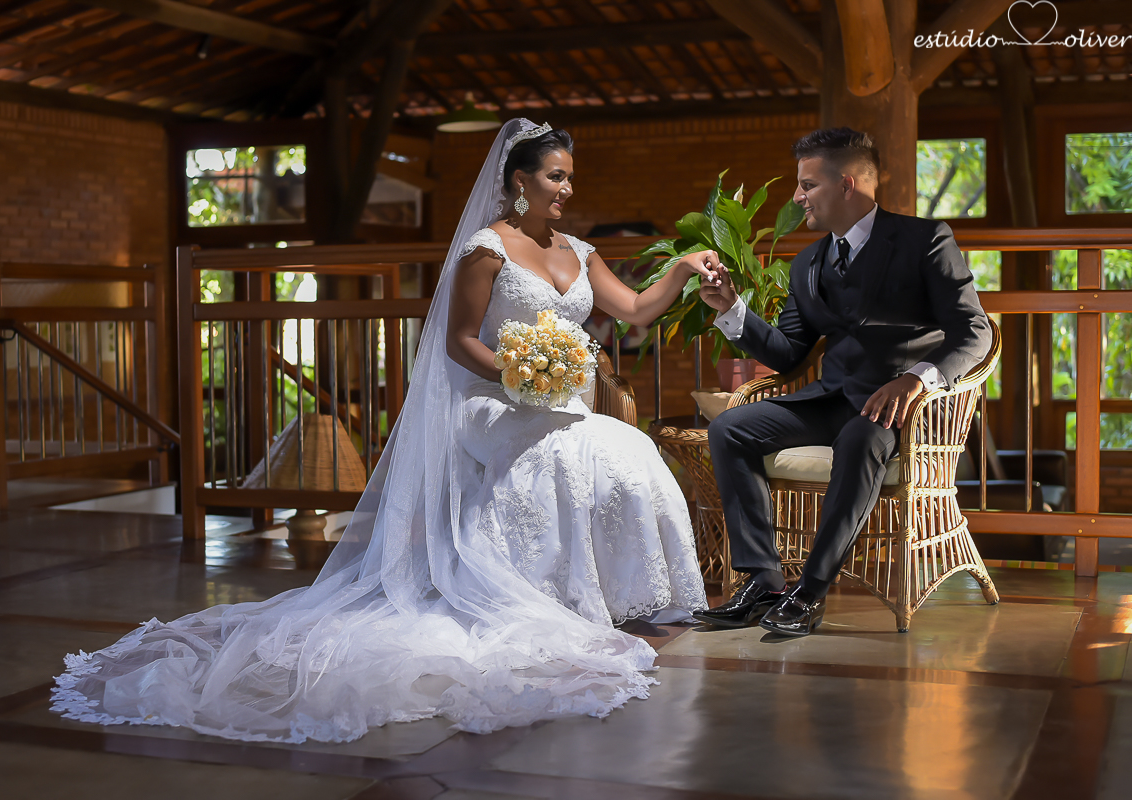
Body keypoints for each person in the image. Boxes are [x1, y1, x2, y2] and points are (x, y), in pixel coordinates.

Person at [52, 118, 709, 744]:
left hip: (562, 403)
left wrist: (681, 269)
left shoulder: (580, 252)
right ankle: (539, 591)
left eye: (569, 178)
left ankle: (616, 590)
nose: (566, 188)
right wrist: (519, 375)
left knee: (626, 447)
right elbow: (457, 341)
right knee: (561, 453)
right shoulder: (486, 250)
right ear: (520, 180)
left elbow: (635, 309)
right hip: (495, 401)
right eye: (556, 176)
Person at [695, 127, 990, 638]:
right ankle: (764, 582)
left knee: (859, 439)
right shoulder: (808, 263)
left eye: (808, 184)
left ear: (846, 184)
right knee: (729, 429)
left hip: (901, 411)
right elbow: (789, 352)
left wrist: (916, 380)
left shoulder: (924, 240)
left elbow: (975, 331)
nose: (798, 196)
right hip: (830, 399)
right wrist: (733, 310)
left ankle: (809, 592)